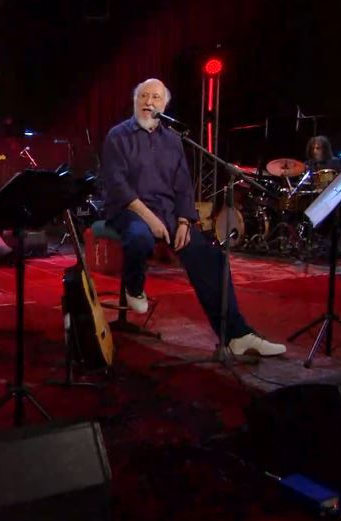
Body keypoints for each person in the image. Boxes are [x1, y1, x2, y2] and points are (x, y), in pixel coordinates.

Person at [99, 78, 286, 357]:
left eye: (156, 97)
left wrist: (185, 221)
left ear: (165, 105)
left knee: (212, 258)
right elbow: (117, 184)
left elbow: (183, 186)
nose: (149, 102)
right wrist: (149, 218)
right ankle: (134, 288)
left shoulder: (173, 140)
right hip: (129, 209)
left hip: (168, 214)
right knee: (139, 236)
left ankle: (236, 335)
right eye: (144, 96)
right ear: (135, 101)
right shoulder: (118, 136)